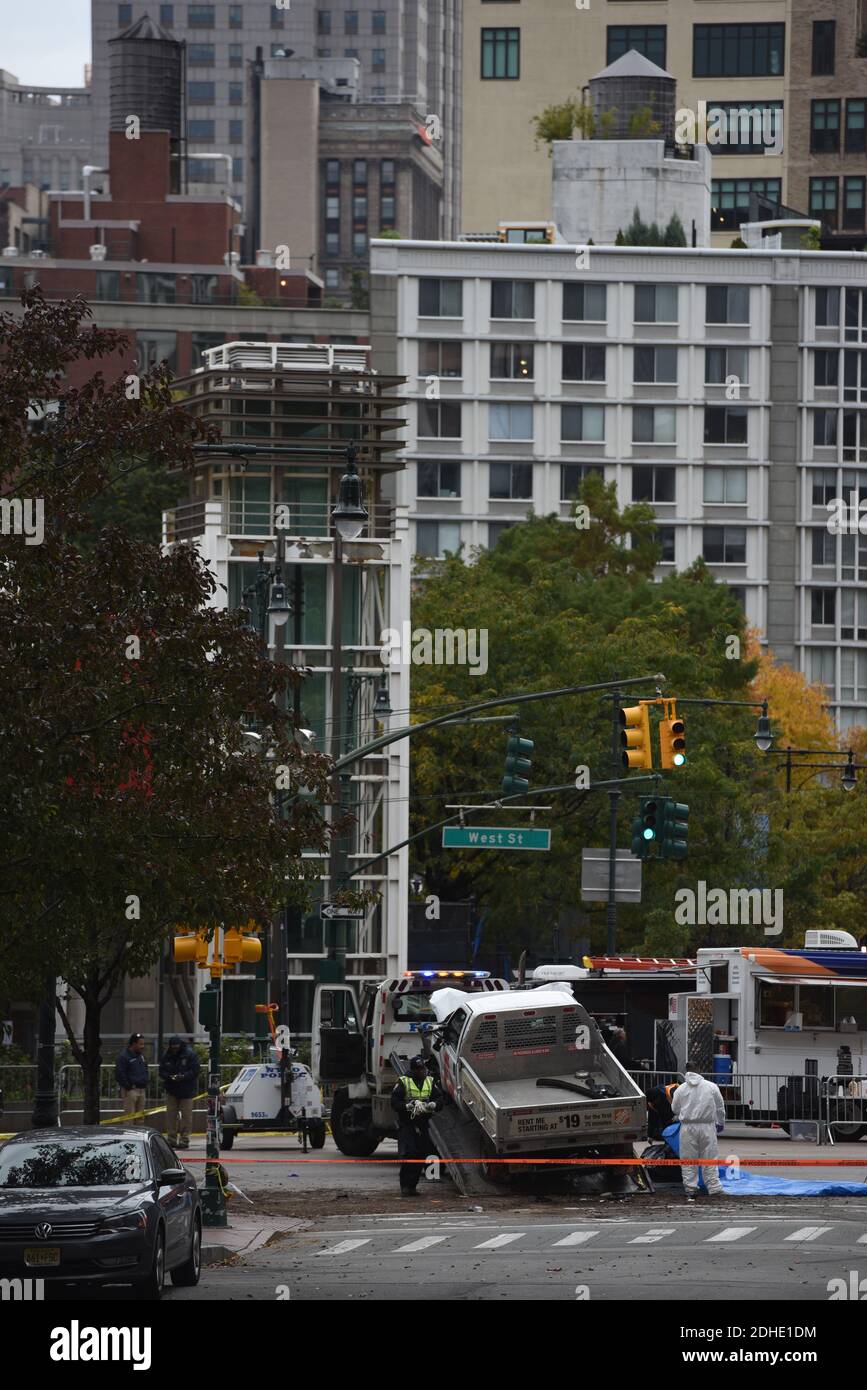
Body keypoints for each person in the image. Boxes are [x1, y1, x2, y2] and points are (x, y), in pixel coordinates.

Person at [671, 1058, 726, 1200]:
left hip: (688, 1127)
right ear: (699, 1069)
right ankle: (714, 1188)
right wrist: (720, 1122)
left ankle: (690, 1189)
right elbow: (720, 1107)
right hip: (707, 1126)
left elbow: (675, 1108)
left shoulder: (680, 1089)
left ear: (686, 1071)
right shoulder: (711, 1087)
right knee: (710, 1158)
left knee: (689, 1159)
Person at [391, 1055, 444, 1196]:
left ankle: (413, 1186)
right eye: (418, 1069)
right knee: (410, 1152)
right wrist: (407, 1106)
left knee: (421, 1153)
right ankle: (405, 1185)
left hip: (423, 1123)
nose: (421, 1072)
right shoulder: (404, 1081)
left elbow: (439, 1098)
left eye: (423, 1069)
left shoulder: (430, 1081)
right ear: (413, 1070)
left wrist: (434, 1104)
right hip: (407, 1123)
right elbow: (394, 1102)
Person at [159, 1035, 201, 1150]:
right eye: (173, 1048)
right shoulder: (167, 1055)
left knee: (186, 1117)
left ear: (180, 1045)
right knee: (171, 1116)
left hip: (186, 1090)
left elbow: (195, 1070)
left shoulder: (190, 1054)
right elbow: (161, 1071)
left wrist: (183, 1076)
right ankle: (171, 1139)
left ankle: (184, 1139)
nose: (175, 1050)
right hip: (171, 1090)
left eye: (176, 1047)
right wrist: (170, 1077)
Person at [115, 1033, 149, 1117]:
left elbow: (145, 1069)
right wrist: (128, 1086)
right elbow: (120, 1073)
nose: (142, 1046)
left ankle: (140, 1130)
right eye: (140, 1044)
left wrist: (146, 1081)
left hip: (142, 1089)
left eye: (143, 1044)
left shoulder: (141, 1056)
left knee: (140, 1117)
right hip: (131, 1090)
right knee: (129, 1116)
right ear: (133, 1044)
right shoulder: (123, 1057)